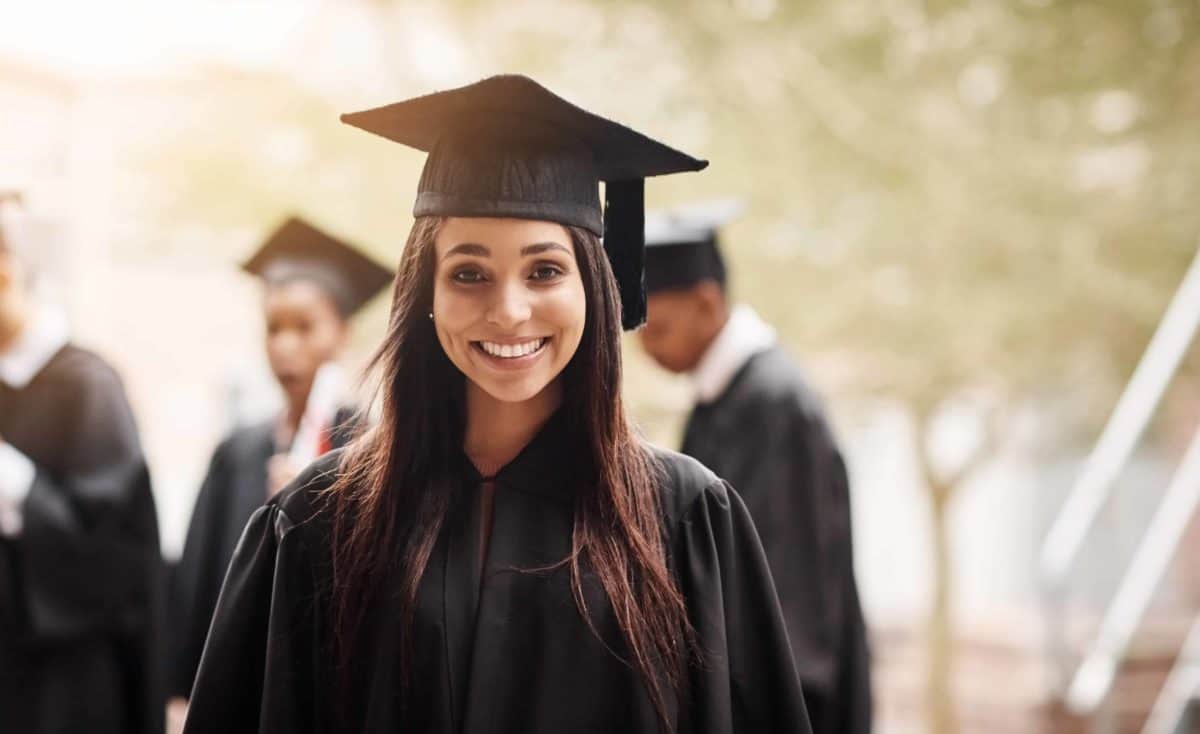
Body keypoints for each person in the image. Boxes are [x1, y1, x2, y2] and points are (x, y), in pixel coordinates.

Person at [182, 75, 810, 734]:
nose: (509, 311)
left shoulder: (683, 518)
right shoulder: (317, 521)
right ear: (426, 292)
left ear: (594, 288)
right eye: (469, 273)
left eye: (544, 270)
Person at [638, 201, 873, 734]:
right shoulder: (728, 396)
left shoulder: (772, 406)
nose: (646, 348)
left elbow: (790, 589)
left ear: (705, 302)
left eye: (658, 328)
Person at [168, 216, 391, 710]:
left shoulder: (371, 450)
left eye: (305, 327)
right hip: (238, 684)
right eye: (274, 329)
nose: (285, 346)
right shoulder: (239, 451)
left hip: (326, 688)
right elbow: (201, 579)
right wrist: (185, 692)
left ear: (342, 333)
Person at [0, 201, 163, 733]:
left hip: (62, 682)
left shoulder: (88, 387)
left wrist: (14, 485)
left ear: (8, 272)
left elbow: (113, 556)